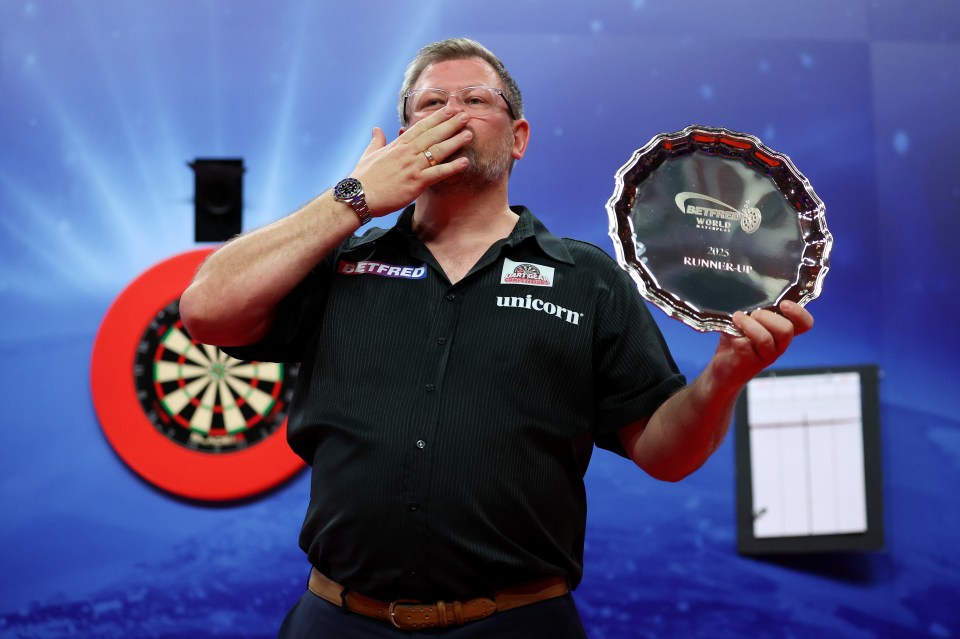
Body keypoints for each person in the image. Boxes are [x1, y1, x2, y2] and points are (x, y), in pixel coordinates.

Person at [179, 37, 813, 638]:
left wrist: (724, 374)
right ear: (403, 140)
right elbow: (206, 310)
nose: (452, 112)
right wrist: (355, 198)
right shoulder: (343, 262)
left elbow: (664, 454)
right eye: (431, 104)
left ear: (519, 138)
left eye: (476, 99)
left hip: (520, 622)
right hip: (340, 618)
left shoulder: (585, 277)